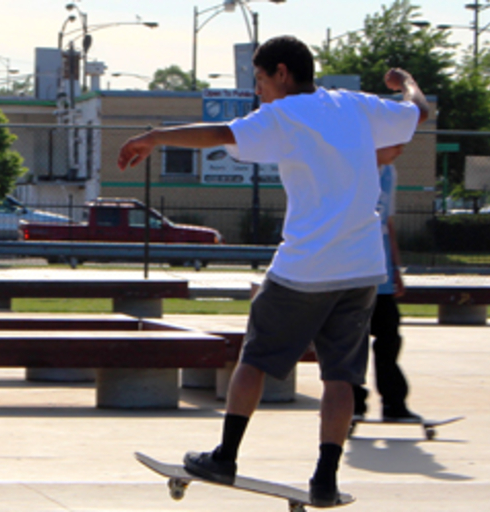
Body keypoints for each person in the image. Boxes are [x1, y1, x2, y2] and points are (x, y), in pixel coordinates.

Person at [117, 36, 429, 506]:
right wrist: (405, 81)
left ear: (282, 73)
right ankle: (324, 480)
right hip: (363, 267)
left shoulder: (282, 115)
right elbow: (418, 112)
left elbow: (221, 133)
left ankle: (225, 455)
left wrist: (155, 136)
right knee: (341, 376)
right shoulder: (356, 106)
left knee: (257, 358)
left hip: (306, 267)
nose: (258, 92)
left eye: (260, 80)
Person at [353, 144, 421, 422]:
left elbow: (388, 223)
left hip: (380, 274)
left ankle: (394, 403)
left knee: (389, 339)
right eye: (395, 146)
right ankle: (353, 404)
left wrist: (396, 268)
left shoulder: (389, 172)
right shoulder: (352, 171)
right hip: (351, 274)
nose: (400, 152)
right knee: (352, 343)